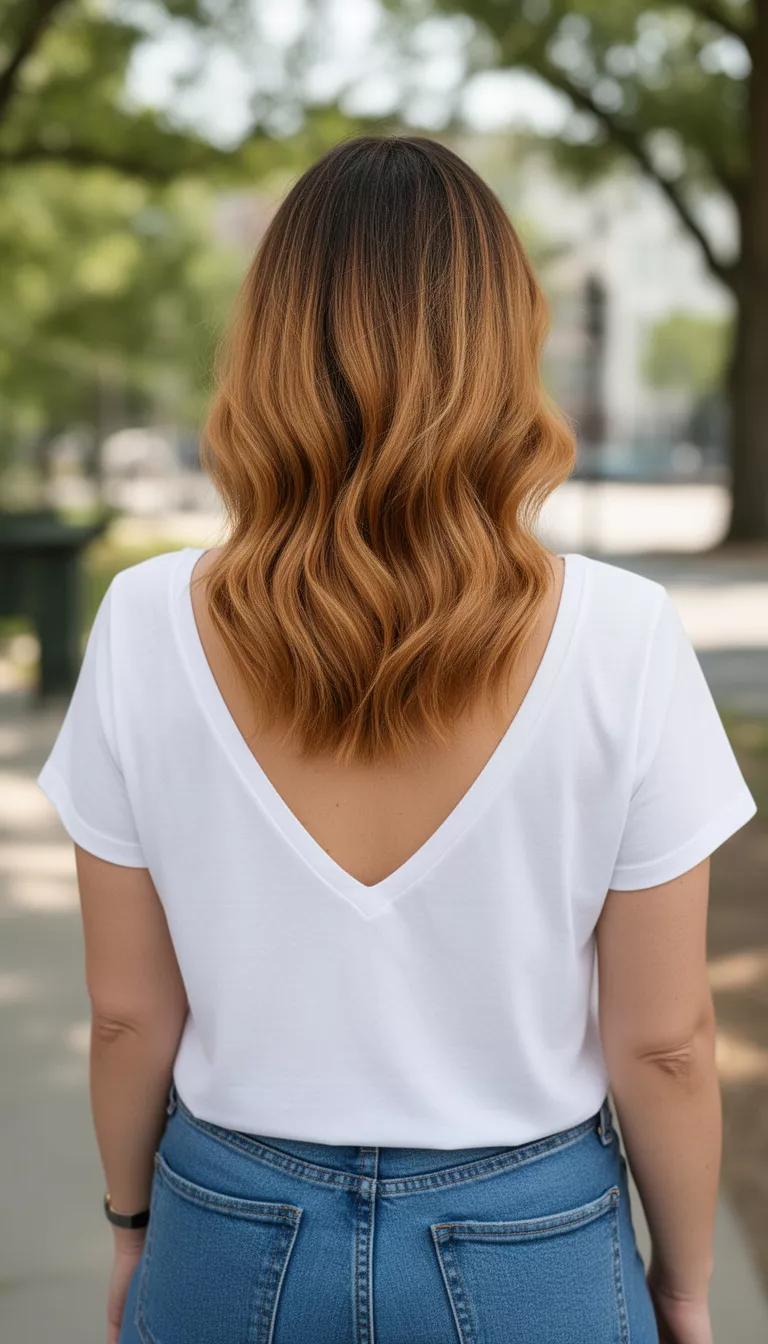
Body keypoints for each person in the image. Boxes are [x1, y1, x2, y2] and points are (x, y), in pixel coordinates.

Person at [37, 135, 757, 1344]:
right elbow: (668, 1041)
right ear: (503, 345)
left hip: (229, 1221)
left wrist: (130, 1228)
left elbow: (125, 1017)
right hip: (536, 1236)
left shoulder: (146, 623)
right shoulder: (623, 635)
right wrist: (681, 1285)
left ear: (267, 346)